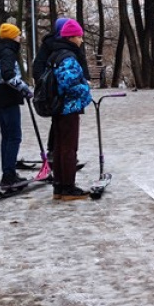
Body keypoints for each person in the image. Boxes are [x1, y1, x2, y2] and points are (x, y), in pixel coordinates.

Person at [33, 17, 89, 163]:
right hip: (59, 94)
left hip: (64, 94)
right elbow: (39, 66)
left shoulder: (71, 46)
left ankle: (60, 157)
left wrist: (85, 78)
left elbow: (81, 62)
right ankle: (59, 156)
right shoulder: (55, 46)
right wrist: (45, 85)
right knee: (64, 127)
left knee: (63, 125)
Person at [50, 20, 94, 200]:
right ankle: (68, 187)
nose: (81, 40)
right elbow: (69, 84)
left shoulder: (56, 54)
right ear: (71, 37)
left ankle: (59, 186)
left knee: (60, 146)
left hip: (58, 107)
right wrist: (86, 90)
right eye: (79, 36)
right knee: (69, 147)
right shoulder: (68, 57)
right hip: (68, 107)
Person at [0, 23, 33, 189]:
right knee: (14, 136)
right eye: (18, 35)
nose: (20, 37)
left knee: (7, 136)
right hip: (7, 97)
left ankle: (9, 172)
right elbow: (7, 75)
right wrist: (24, 88)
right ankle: (8, 175)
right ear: (11, 37)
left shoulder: (0, 51)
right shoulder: (8, 52)